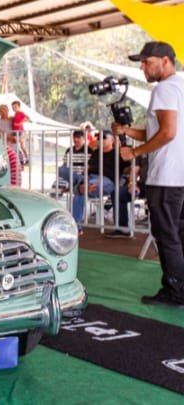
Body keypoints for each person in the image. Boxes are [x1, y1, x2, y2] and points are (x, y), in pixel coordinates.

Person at [113, 41, 184, 307]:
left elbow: (167, 132)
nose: (143, 67)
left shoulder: (164, 89)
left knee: (166, 235)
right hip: (180, 175)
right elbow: (161, 130)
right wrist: (127, 131)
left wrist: (135, 152)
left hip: (166, 175)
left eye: (147, 62)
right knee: (179, 234)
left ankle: (175, 292)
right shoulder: (180, 86)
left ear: (165, 61)